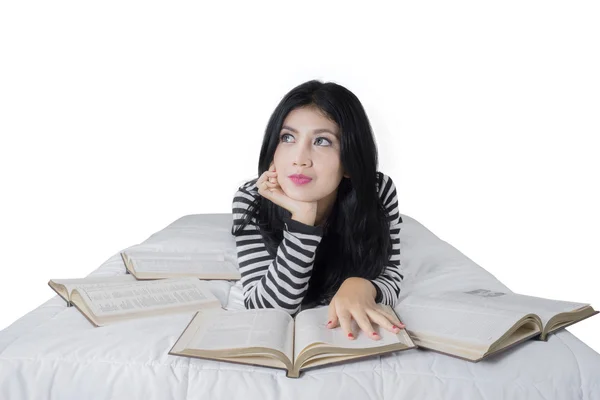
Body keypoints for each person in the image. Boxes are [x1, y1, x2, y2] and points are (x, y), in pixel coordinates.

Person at [231, 79, 406, 342]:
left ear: (349, 159)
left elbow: (390, 272)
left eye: (322, 141)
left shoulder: (377, 192)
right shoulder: (251, 199)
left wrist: (363, 286)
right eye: (287, 137)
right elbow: (266, 310)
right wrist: (302, 220)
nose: (299, 158)